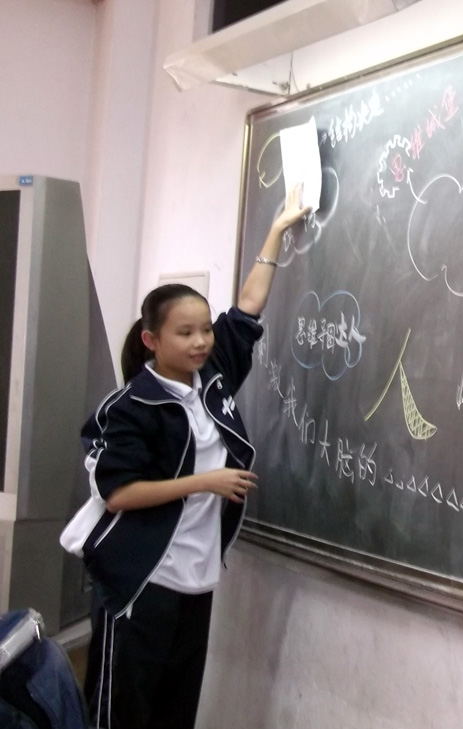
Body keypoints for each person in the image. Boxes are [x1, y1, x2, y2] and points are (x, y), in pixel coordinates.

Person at [77, 186, 310, 729]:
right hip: (141, 582)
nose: (202, 341)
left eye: (205, 329)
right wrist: (206, 482)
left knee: (175, 712)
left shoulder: (211, 379)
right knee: (123, 713)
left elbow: (247, 308)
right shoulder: (132, 406)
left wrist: (276, 230)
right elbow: (119, 493)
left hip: (194, 579)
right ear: (152, 340)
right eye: (186, 333)